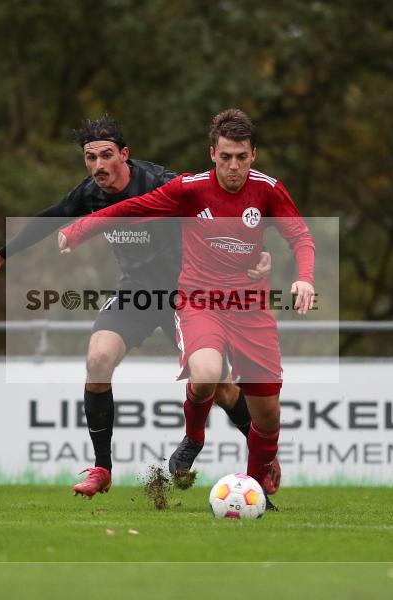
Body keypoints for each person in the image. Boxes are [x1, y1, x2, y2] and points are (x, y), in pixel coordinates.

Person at [0, 115, 279, 498]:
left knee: (221, 388)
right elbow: (52, 216)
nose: (98, 165)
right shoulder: (91, 193)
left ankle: (264, 456)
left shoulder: (159, 182)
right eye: (90, 158)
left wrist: (258, 251)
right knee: (98, 358)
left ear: (124, 154)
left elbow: (218, 209)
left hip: (185, 294)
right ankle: (102, 469)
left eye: (106, 155)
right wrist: (1, 256)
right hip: (136, 292)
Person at [59, 109, 315, 504]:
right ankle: (194, 438)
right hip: (199, 300)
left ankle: (257, 486)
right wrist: (81, 228)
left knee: (267, 416)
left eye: (241, 157)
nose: (234, 166)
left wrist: (305, 277)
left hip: (250, 306)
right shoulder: (190, 189)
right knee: (206, 372)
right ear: (212, 154)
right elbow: (134, 207)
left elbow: (300, 236)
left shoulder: (268, 190)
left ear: (253, 155)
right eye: (225, 157)